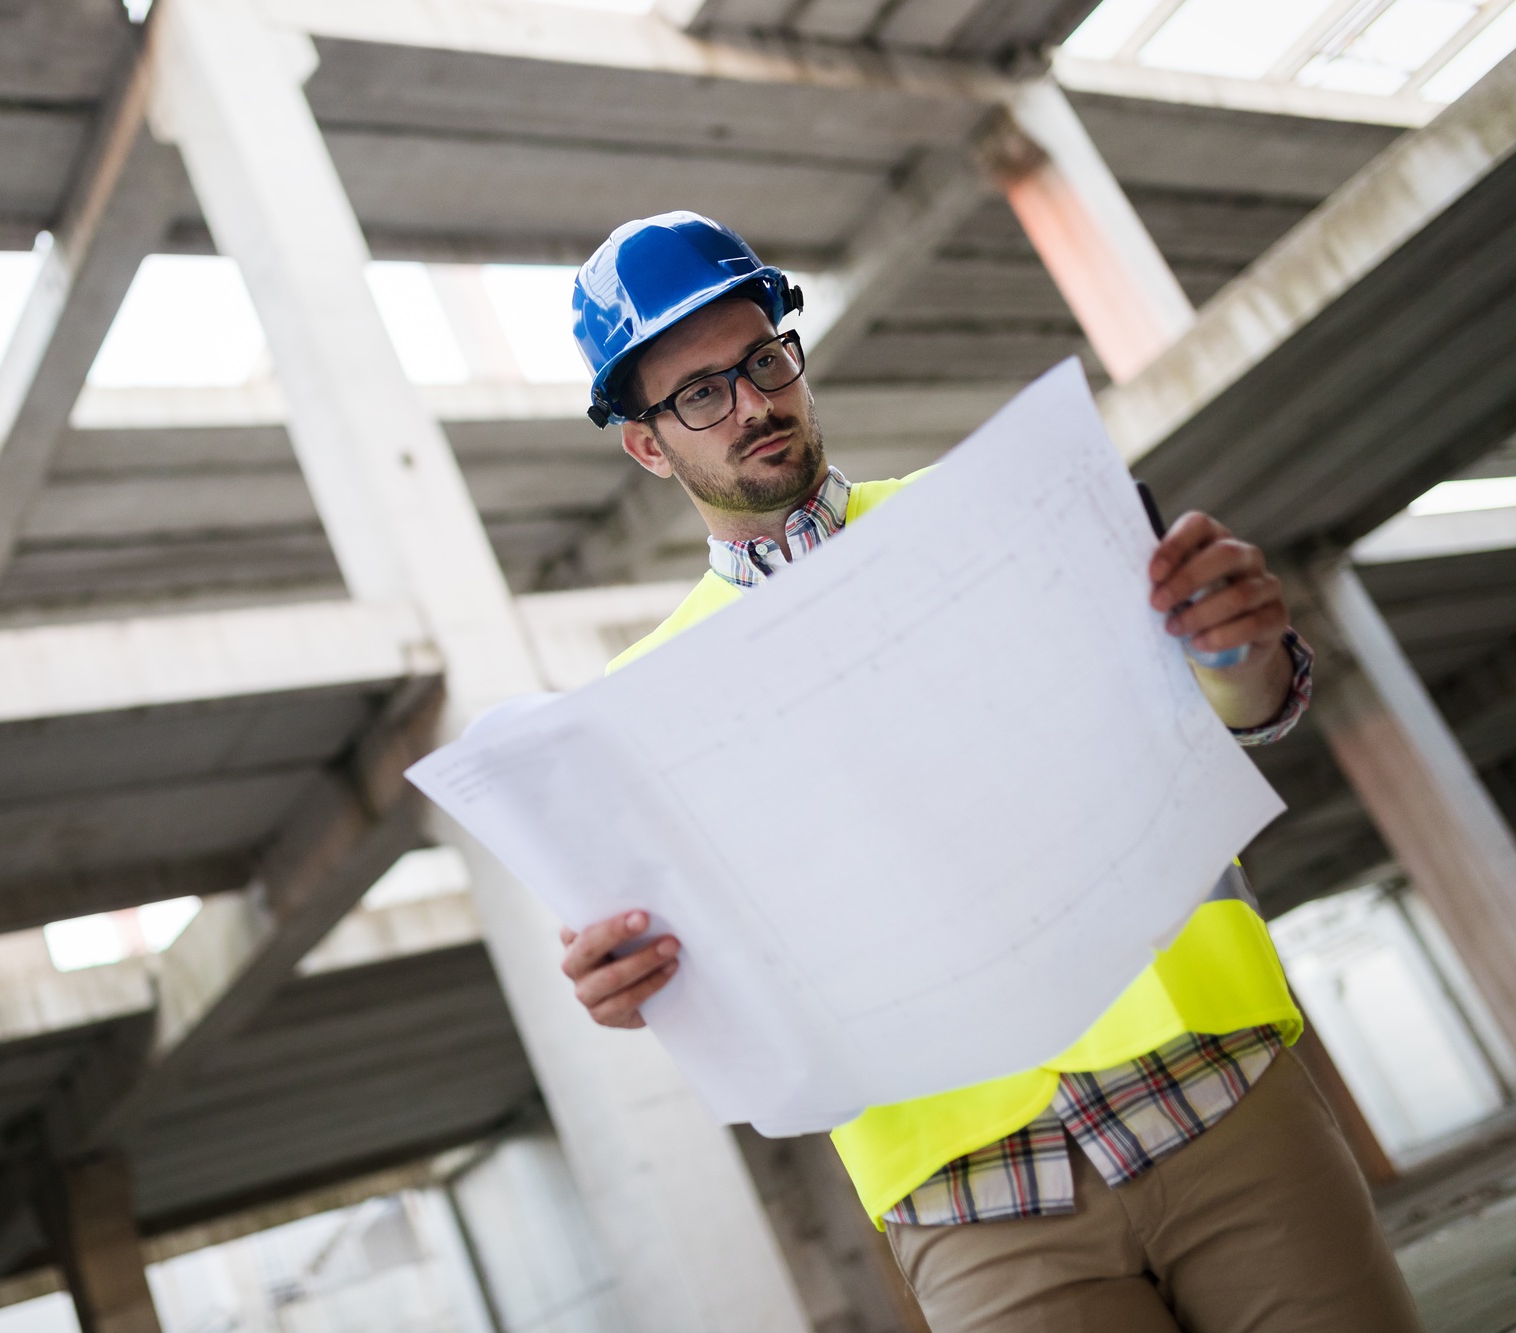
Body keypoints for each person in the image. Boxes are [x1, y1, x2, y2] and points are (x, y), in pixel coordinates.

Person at [556, 212, 1422, 1332]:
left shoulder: (1010, 517)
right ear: (643, 443)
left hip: (1215, 1096)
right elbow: (709, 973)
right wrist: (625, 984)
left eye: (764, 360)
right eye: (699, 394)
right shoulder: (643, 705)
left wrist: (1241, 650)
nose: (753, 405)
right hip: (972, 1204)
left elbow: (1230, 719)